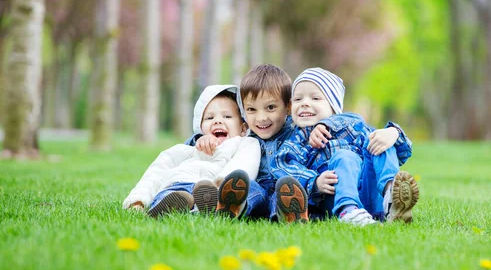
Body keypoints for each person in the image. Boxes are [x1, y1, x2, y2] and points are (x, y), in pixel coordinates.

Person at [272, 67, 419, 226]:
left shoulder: (353, 127)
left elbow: (401, 153)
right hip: (334, 199)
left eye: (315, 98)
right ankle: (348, 211)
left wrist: (393, 133)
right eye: (298, 99)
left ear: (334, 107)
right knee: (345, 156)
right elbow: (282, 165)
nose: (305, 103)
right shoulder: (298, 140)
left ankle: (392, 197)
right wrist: (314, 182)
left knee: (378, 139)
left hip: (371, 193)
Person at [192, 64, 309, 223]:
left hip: (283, 188)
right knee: (248, 188)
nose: (261, 118)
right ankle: (231, 207)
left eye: (270, 107)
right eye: (252, 110)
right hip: (256, 188)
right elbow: (216, 142)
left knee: (283, 192)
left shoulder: (298, 133)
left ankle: (291, 214)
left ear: (288, 107)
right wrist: (201, 139)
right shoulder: (243, 135)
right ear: (243, 111)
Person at [122, 85, 260, 218]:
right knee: (172, 194)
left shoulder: (244, 143)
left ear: (243, 128)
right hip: (179, 185)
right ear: (200, 127)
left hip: (216, 189)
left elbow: (246, 162)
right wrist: (137, 200)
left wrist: (223, 184)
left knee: (217, 194)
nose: (217, 121)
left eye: (227, 117)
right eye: (209, 118)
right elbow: (156, 171)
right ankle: (167, 205)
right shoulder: (186, 150)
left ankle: (204, 205)